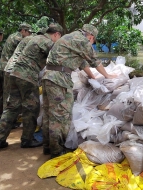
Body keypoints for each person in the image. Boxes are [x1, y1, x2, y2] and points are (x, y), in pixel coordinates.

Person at [42, 24, 117, 158]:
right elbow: (95, 61)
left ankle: (48, 146)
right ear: (91, 37)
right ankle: (57, 150)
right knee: (60, 115)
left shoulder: (70, 37)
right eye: (93, 41)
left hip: (49, 76)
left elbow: (82, 64)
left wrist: (93, 77)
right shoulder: (83, 41)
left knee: (49, 114)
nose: (91, 43)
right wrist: (107, 76)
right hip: (59, 80)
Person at [0, 23, 63, 149]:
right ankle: (27, 140)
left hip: (15, 74)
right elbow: (59, 54)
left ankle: (0, 138)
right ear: (56, 34)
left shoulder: (34, 38)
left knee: (12, 107)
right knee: (31, 108)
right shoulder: (45, 41)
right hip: (27, 76)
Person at [0, 23, 33, 124]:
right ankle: (7, 121)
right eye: (28, 32)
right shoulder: (19, 39)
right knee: (8, 96)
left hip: (1, 67)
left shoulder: (11, 36)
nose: (29, 35)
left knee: (1, 94)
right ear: (23, 30)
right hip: (8, 69)